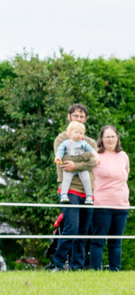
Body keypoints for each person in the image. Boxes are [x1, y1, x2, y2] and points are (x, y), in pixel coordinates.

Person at [48, 103, 96, 271]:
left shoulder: (89, 141)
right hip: (69, 190)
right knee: (71, 228)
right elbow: (64, 161)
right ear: (69, 118)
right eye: (76, 116)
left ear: (86, 120)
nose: (79, 119)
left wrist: (76, 166)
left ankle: (78, 266)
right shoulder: (62, 139)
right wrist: (83, 161)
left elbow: (95, 161)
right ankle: (57, 263)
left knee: (82, 232)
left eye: (82, 117)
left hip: (88, 191)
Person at [87, 125, 131, 271]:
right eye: (107, 137)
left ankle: (115, 269)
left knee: (116, 242)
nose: (110, 139)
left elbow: (125, 175)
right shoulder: (96, 156)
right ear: (102, 139)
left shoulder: (123, 156)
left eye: (113, 136)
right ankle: (95, 270)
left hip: (121, 205)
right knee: (98, 241)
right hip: (101, 205)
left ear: (117, 138)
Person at [55, 121, 96, 204]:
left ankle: (89, 196)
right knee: (66, 178)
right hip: (69, 171)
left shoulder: (84, 143)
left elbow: (92, 152)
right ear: (70, 133)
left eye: (81, 133)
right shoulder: (64, 142)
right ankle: (64, 194)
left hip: (82, 169)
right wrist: (58, 157)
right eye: (76, 132)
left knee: (86, 178)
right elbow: (60, 152)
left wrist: (95, 156)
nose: (79, 135)